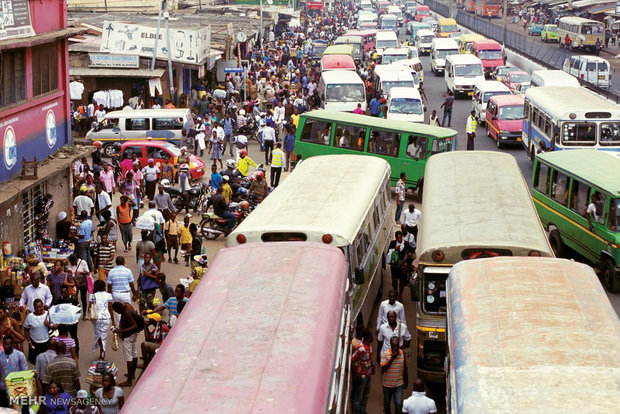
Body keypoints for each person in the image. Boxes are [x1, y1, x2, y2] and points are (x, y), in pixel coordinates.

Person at [111, 301, 140, 386]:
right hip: (133, 335)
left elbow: (134, 325)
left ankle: (129, 380)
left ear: (119, 309)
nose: (118, 313)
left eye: (117, 312)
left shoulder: (126, 312)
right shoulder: (127, 305)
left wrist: (121, 331)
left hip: (128, 336)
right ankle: (132, 374)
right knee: (134, 354)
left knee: (129, 358)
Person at [107, 256, 137, 325]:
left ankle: (120, 327)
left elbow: (109, 286)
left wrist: (109, 296)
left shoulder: (111, 272)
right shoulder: (128, 271)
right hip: (125, 294)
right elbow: (131, 284)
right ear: (124, 262)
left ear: (116, 263)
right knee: (127, 310)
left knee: (118, 312)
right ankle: (128, 326)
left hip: (115, 294)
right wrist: (134, 294)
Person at [88, 280, 113, 361]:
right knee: (103, 336)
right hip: (106, 318)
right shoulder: (109, 295)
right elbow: (110, 309)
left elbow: (90, 308)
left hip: (97, 318)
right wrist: (114, 322)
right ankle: (102, 352)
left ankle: (102, 354)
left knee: (99, 336)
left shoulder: (92, 296)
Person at [351, 328, 374, 414]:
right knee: (358, 397)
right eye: (371, 336)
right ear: (368, 337)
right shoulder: (361, 349)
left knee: (365, 395)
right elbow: (353, 360)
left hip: (368, 374)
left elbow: (369, 359)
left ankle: (362, 411)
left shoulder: (370, 347)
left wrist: (372, 366)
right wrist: (357, 373)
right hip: (362, 376)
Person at [381, 336, 406, 414]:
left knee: (399, 404)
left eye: (397, 347)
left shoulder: (403, 354)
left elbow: (405, 368)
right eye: (393, 347)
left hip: (398, 384)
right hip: (387, 385)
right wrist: (392, 358)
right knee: (386, 405)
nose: (395, 349)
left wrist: (406, 380)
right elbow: (383, 369)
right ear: (391, 345)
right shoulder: (385, 354)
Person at [23, 299, 54, 364]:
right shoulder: (29, 317)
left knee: (47, 362)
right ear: (34, 307)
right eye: (36, 307)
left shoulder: (48, 315)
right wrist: (29, 342)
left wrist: (49, 325)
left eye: (40, 307)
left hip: (46, 342)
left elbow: (55, 326)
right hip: (35, 343)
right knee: (36, 363)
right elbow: (26, 330)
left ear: (42, 306)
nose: (38, 309)